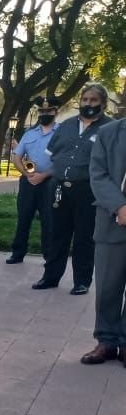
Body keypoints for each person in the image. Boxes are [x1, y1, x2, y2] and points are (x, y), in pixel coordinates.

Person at [32, 83, 113, 295]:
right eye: (85, 100)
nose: (88, 104)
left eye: (94, 100)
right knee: (56, 234)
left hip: (89, 190)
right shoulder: (66, 126)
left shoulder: (110, 128)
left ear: (102, 103)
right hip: (59, 188)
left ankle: (82, 281)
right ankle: (50, 277)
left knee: (84, 237)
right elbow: (52, 156)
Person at [80, 113, 126, 365]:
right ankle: (106, 341)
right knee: (108, 286)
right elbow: (97, 173)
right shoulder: (109, 133)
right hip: (112, 222)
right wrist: (119, 206)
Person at [7, 97, 60, 264]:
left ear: (55, 111)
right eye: (42, 111)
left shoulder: (62, 133)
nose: (45, 114)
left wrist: (43, 176)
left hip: (50, 182)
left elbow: (63, 160)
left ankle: (49, 256)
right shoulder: (30, 134)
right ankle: (17, 253)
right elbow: (17, 157)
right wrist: (27, 174)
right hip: (28, 181)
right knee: (23, 218)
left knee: (49, 220)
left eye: (48, 110)